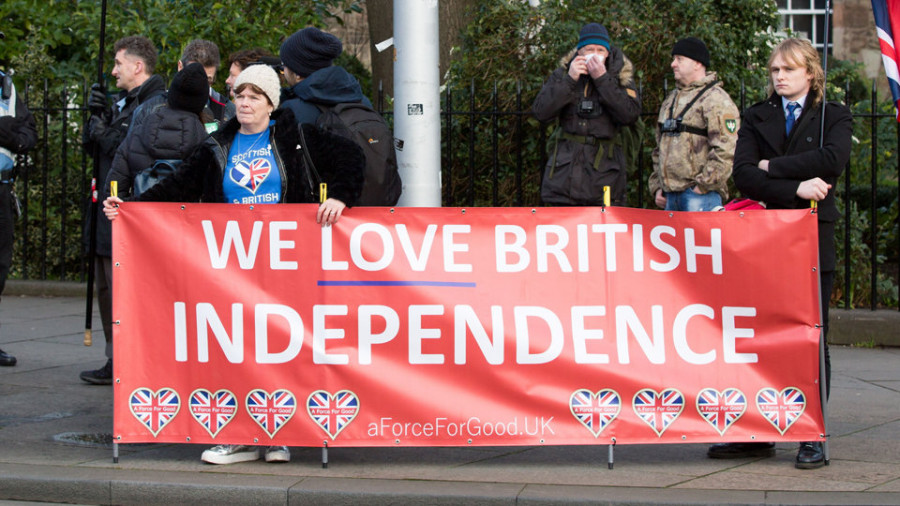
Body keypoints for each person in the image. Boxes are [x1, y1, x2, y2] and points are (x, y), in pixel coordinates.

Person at [103, 65, 365, 464]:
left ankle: (277, 434)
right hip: (231, 268)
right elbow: (177, 186)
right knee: (236, 349)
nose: (244, 102)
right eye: (239, 95)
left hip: (284, 264)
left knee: (280, 348)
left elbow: (352, 157)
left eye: (254, 96)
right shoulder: (217, 145)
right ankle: (238, 435)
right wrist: (130, 209)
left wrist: (341, 197)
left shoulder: (296, 137)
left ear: (271, 103)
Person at [710, 38, 852, 469]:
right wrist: (796, 185)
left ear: (810, 72)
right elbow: (744, 176)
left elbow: (833, 159)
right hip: (766, 237)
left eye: (788, 70)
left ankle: (812, 432)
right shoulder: (756, 115)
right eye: (774, 70)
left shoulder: (834, 113)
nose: (780, 77)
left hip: (811, 235)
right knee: (762, 335)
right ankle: (761, 431)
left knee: (811, 334)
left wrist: (776, 167)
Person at [81, 35, 166, 384]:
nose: (113, 71)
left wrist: (104, 133)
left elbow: (133, 152)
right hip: (105, 206)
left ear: (137, 66)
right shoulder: (122, 102)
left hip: (129, 211)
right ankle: (114, 356)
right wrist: (96, 118)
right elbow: (95, 149)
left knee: (124, 287)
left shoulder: (155, 104)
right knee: (105, 285)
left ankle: (129, 358)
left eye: (118, 64)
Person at [532, 22, 641, 206]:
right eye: (590, 49)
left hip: (605, 178)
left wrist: (602, 79)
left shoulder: (621, 76)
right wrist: (570, 80)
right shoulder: (564, 74)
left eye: (600, 50)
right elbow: (541, 112)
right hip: (562, 179)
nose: (595, 55)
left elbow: (629, 115)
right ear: (580, 52)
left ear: (607, 53)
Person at [649, 37, 739, 211]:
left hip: (701, 196)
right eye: (673, 59)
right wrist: (657, 186)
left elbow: (727, 149)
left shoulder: (716, 99)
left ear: (698, 63)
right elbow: (658, 148)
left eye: (679, 59)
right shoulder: (671, 100)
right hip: (669, 196)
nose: (673, 64)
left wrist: (702, 186)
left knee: (701, 240)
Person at [104, 62, 211, 198]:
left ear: (171, 94)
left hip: (140, 218)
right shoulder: (207, 144)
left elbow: (114, 188)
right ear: (201, 103)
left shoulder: (136, 134)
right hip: (184, 218)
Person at [0, 59, 38, 367]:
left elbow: (30, 133)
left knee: (0, 265)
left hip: (2, 188)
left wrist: (10, 136)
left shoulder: (6, 87)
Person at [278, 27, 372, 125]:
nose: (283, 70)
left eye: (284, 65)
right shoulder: (362, 102)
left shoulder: (292, 110)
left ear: (298, 73)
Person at [177, 39, 235, 128]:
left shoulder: (227, 110)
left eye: (207, 81)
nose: (199, 87)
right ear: (180, 67)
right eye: (193, 78)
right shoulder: (157, 106)